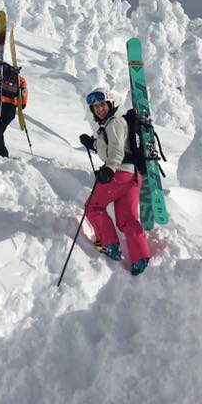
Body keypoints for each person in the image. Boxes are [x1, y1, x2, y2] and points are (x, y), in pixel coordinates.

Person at [78, 88, 151, 276]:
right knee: (127, 219)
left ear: (110, 104)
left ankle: (109, 245)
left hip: (119, 173)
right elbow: (112, 147)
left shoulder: (114, 123)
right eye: (95, 107)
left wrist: (109, 169)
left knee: (93, 207)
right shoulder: (113, 123)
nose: (99, 109)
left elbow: (117, 151)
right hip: (133, 176)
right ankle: (140, 257)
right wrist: (92, 144)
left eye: (102, 104)